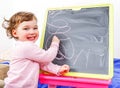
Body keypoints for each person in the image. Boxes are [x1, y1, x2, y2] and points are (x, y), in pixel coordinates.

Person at [2, 11, 70, 88]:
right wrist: (55, 43)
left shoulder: (27, 48)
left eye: (35, 28)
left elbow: (43, 63)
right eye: (26, 28)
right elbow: (47, 57)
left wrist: (57, 69)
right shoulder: (26, 47)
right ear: (15, 33)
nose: (32, 32)